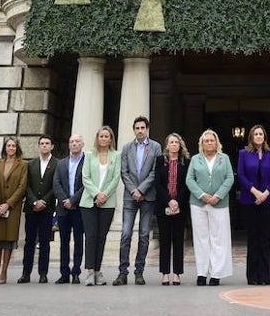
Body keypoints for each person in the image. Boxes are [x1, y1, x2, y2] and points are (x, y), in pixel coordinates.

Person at [187, 129, 234, 285]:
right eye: (206, 141)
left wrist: (218, 195)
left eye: (211, 140)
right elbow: (189, 180)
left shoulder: (224, 158)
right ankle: (202, 272)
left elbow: (229, 178)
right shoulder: (195, 159)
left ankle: (216, 273)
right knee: (201, 239)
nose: (209, 143)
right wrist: (202, 195)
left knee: (218, 239)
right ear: (202, 143)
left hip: (219, 204)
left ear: (216, 143)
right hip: (199, 203)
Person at [116, 116, 158, 285]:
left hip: (148, 197)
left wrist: (141, 189)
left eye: (142, 128)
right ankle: (122, 272)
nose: (140, 131)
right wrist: (134, 190)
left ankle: (139, 272)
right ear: (134, 130)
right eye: (137, 128)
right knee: (126, 234)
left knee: (143, 235)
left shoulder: (155, 147)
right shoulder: (127, 148)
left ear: (147, 129)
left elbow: (155, 172)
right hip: (130, 196)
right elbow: (123, 172)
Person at [237, 124, 270, 285]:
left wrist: (266, 193)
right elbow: (241, 175)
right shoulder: (243, 154)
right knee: (253, 238)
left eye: (261, 134)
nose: (259, 136)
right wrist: (255, 192)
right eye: (256, 134)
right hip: (250, 200)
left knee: (265, 238)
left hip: (268, 200)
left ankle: (265, 276)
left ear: (265, 137)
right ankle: (253, 276)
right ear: (251, 137)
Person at [81, 126, 120, 286]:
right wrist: (97, 194)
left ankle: (98, 270)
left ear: (111, 139)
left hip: (108, 202)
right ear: (97, 138)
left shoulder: (116, 156)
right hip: (89, 201)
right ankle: (90, 271)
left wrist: (104, 195)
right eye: (101, 136)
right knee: (90, 236)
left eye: (107, 136)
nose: (104, 139)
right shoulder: (89, 155)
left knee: (101, 237)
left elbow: (116, 178)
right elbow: (86, 177)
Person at [0, 136, 26, 284]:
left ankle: (4, 272)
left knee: (8, 240)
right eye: (8, 146)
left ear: (17, 149)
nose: (11, 148)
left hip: (12, 208)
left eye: (13, 146)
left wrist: (7, 204)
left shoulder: (22, 165)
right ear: (5, 148)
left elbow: (22, 187)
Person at [155, 132, 191, 285]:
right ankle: (165, 273)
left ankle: (177, 273)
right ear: (167, 145)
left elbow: (187, 184)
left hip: (180, 206)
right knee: (164, 240)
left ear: (180, 145)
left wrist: (177, 202)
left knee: (178, 241)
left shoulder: (186, 162)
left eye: (176, 142)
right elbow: (157, 183)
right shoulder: (160, 161)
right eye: (171, 142)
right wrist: (169, 201)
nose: (174, 144)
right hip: (163, 206)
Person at [20, 134, 56, 283]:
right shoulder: (31, 164)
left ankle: (43, 273)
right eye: (42, 143)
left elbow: (56, 185)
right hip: (31, 209)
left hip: (47, 209)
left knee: (45, 242)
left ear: (52, 146)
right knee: (29, 241)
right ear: (39, 146)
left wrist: (44, 202)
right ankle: (26, 273)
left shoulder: (57, 164)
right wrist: (34, 202)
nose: (44, 146)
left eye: (47, 143)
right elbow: (26, 185)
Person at [53, 134, 86, 283]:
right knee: (64, 242)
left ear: (82, 144)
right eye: (71, 141)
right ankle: (64, 273)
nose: (74, 144)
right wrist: (64, 200)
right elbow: (56, 183)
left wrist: (73, 201)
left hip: (79, 208)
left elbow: (86, 184)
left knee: (79, 241)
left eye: (77, 141)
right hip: (63, 209)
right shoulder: (61, 163)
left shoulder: (87, 162)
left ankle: (76, 272)